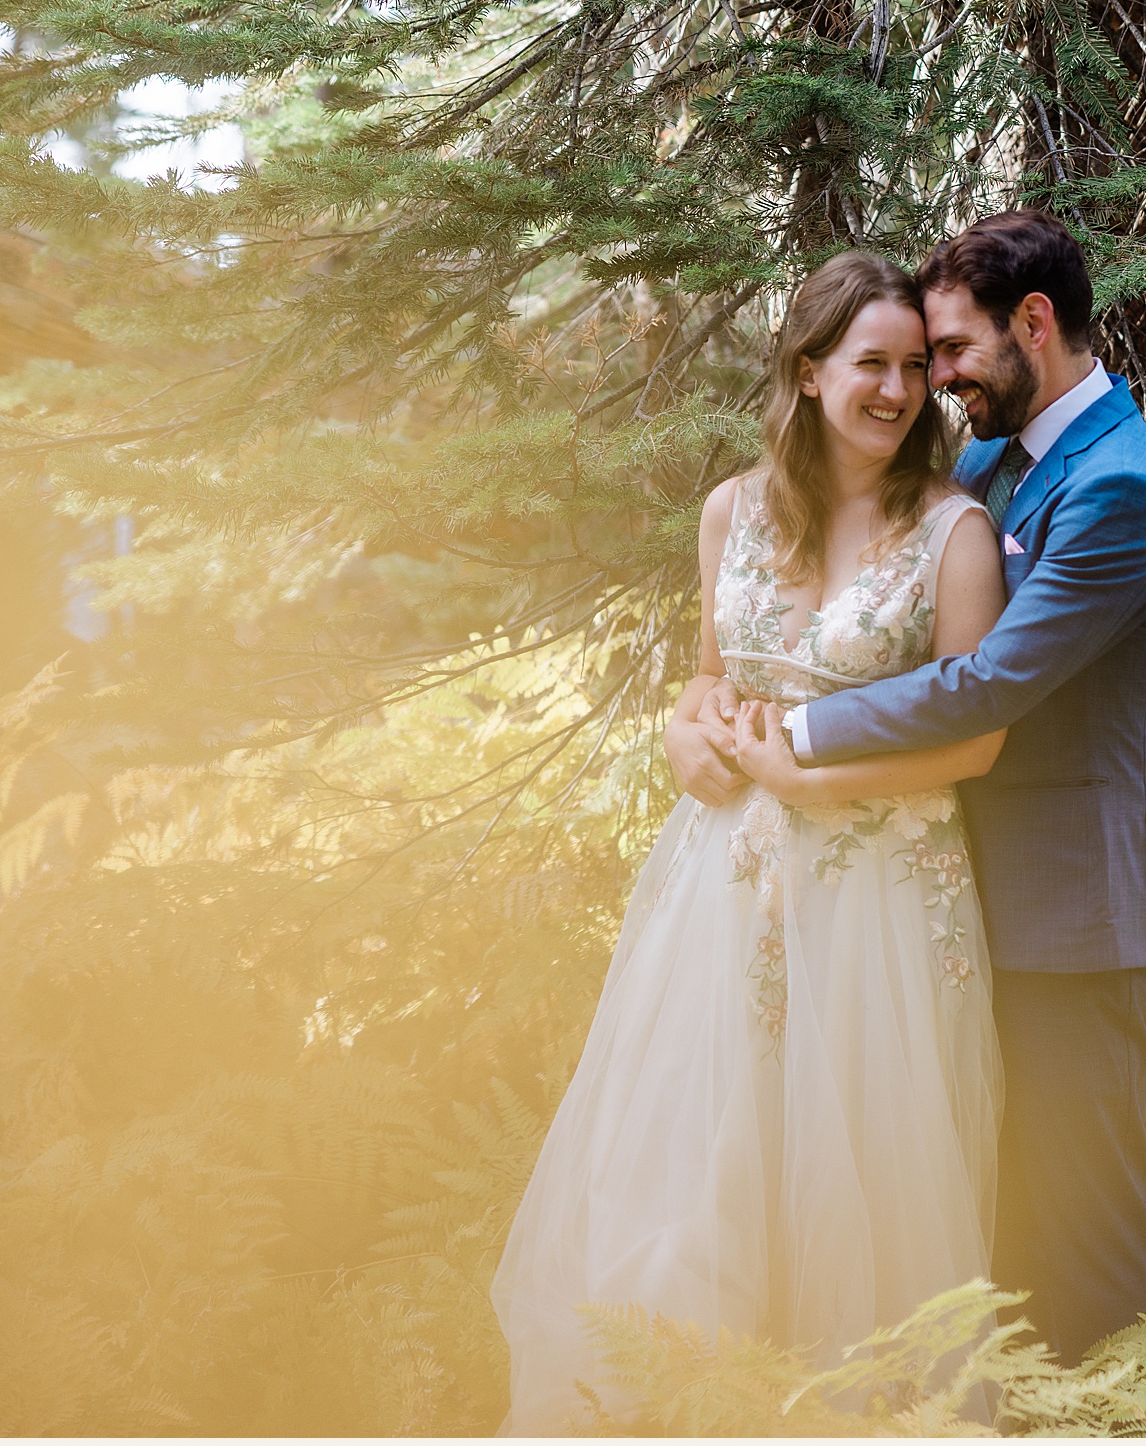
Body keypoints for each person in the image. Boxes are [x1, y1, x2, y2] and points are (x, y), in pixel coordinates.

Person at [491, 251, 1009, 1433]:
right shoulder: (731, 510)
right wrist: (685, 734)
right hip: (721, 890)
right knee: (695, 1167)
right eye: (869, 362)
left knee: (862, 1186)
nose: (895, 389)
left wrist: (808, 780)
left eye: (915, 367)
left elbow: (974, 744)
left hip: (881, 892)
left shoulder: (954, 532)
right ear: (808, 368)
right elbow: (712, 679)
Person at [702, 210, 1146, 1362]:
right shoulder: (992, 461)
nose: (939, 387)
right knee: (992, 1216)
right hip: (955, 895)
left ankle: (1128, 1411)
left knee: (1083, 1215)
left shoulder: (1118, 483)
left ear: (1033, 323)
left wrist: (801, 724)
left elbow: (984, 683)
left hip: (1070, 907)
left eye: (953, 354)